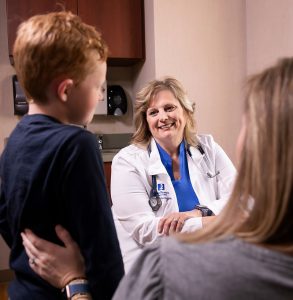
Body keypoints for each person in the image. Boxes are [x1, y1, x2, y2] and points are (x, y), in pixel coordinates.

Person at [22, 57, 293, 299]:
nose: (163, 117)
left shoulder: (207, 147)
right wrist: (215, 222)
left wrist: (196, 215)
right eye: (153, 112)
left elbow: (243, 200)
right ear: (146, 121)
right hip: (147, 267)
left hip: (208, 256)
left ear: (186, 113)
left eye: (169, 108)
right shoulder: (128, 161)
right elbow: (147, 232)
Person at [0, 11, 124, 300]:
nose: (100, 94)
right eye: (98, 87)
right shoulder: (78, 145)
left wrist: (34, 253)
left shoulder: (14, 142)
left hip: (23, 290)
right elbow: (102, 248)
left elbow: (5, 216)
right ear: (66, 90)